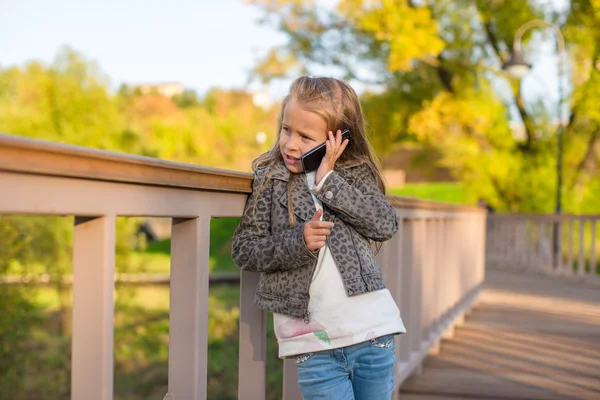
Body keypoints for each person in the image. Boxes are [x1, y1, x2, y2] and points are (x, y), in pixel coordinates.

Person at [232, 76, 406, 399]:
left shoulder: (354, 174)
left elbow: (385, 225)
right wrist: (297, 242)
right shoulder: (271, 178)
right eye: (287, 130)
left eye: (305, 136)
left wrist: (328, 182)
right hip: (315, 347)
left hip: (373, 334)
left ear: (336, 138)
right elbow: (244, 249)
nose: (291, 144)